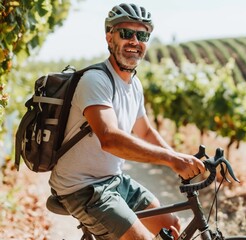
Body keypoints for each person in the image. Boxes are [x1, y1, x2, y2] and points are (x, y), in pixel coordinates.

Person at [49, 3, 205, 240]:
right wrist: (172, 159)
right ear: (109, 37)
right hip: (82, 188)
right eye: (126, 33)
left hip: (114, 180)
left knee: (171, 226)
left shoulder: (134, 84)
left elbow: (144, 132)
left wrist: (180, 160)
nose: (134, 40)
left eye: (141, 34)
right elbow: (110, 138)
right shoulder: (95, 80)